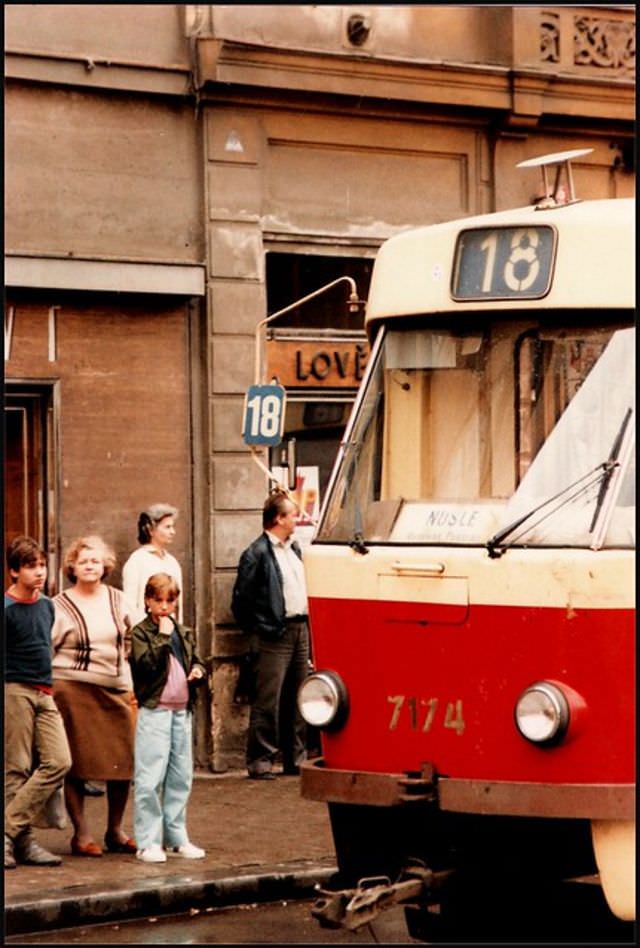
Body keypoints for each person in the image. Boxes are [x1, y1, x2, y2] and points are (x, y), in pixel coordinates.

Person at [52, 536, 137, 857]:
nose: (89, 566)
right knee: (76, 764)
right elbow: (47, 647)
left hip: (114, 688)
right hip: (71, 691)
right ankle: (82, 834)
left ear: (105, 566)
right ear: (72, 566)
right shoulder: (59, 604)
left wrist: (127, 679)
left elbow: (133, 640)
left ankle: (115, 830)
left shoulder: (119, 600)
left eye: (95, 561)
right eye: (83, 561)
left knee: (123, 763)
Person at [231, 489, 310, 780]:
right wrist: (262, 627)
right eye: (292, 514)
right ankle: (261, 760)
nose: (297, 519)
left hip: (300, 628)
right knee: (269, 700)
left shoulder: (294, 549)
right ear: (278, 518)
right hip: (274, 633)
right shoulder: (256, 553)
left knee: (298, 696)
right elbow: (241, 600)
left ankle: (295, 758)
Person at [4, 537, 72, 869]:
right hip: (13, 689)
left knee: (59, 761)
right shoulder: (6, 609)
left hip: (44, 691)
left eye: (42, 565)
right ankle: (22, 842)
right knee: (16, 768)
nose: (39, 572)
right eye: (31, 566)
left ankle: (6, 831)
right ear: (14, 571)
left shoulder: (47, 606)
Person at [129, 573, 206, 863]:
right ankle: (148, 840)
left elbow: (197, 658)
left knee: (180, 775)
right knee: (150, 776)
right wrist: (161, 636)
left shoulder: (183, 632)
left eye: (169, 601)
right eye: (158, 600)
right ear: (148, 601)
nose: (164, 606)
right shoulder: (140, 633)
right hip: (155, 708)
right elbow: (145, 666)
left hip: (181, 709)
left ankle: (176, 836)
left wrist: (199, 670)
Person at [122, 504, 183, 623]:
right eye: (167, 527)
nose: (172, 532)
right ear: (150, 529)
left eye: (173, 527)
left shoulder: (172, 562)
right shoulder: (137, 561)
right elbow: (129, 605)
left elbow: (178, 605)